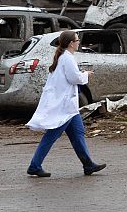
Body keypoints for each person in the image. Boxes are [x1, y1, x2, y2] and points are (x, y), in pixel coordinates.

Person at [25, 30, 106, 177]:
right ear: (70, 43)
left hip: (68, 106)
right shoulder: (67, 58)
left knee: (78, 133)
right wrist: (86, 74)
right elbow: (74, 78)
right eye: (77, 40)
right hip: (64, 106)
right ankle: (34, 166)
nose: (78, 42)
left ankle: (88, 165)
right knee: (51, 136)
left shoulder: (63, 57)